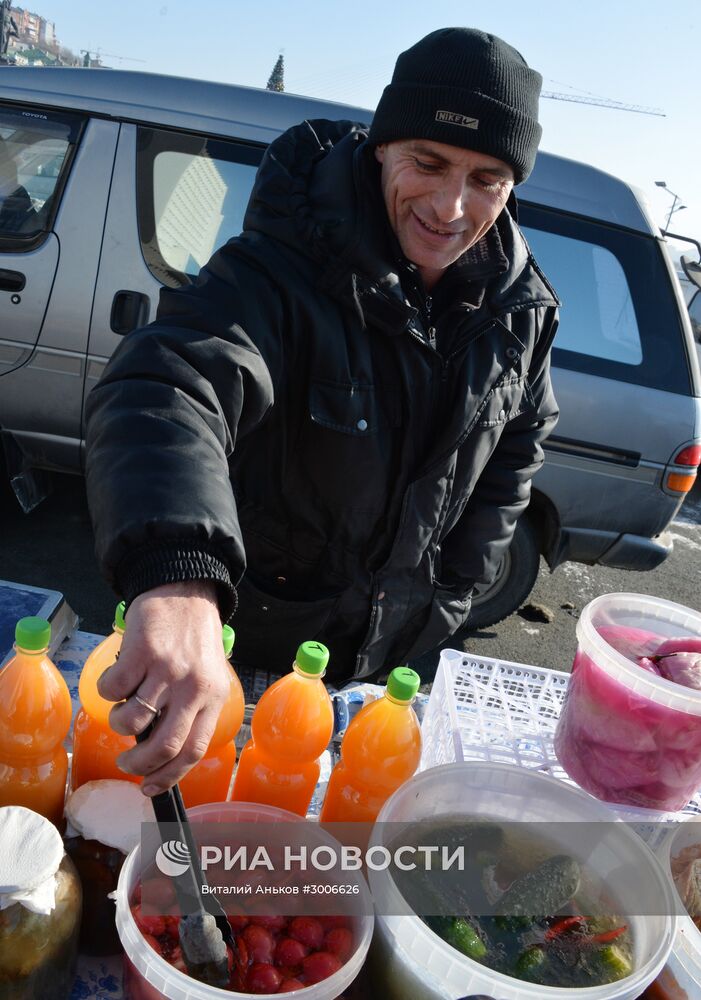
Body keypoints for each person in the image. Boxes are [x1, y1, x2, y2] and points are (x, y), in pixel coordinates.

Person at [85, 27, 559, 795]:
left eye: (487, 177)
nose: (450, 206)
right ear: (379, 148)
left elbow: (518, 447)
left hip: (385, 662)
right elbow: (166, 383)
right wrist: (180, 576)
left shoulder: (520, 309)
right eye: (427, 164)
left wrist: (451, 593)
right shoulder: (276, 270)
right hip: (249, 646)